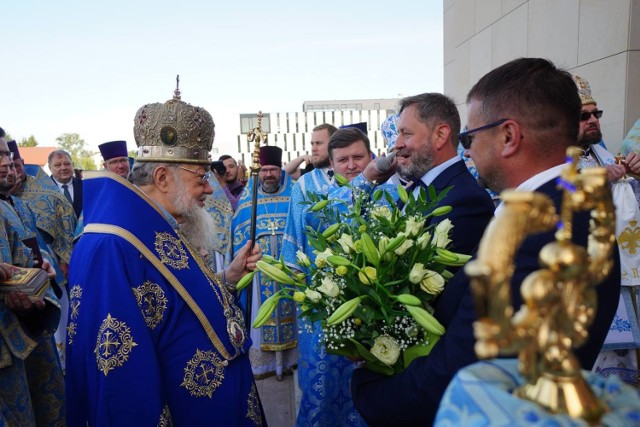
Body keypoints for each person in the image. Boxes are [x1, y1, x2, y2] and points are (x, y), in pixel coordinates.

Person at [351, 57, 621, 426]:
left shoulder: (537, 236)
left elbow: (460, 375)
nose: (467, 151)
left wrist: (369, 387)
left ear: (508, 136)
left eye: (470, 138)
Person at [66, 86, 266, 426]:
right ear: (162, 177)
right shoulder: (113, 245)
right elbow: (120, 376)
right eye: (201, 177)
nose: (208, 188)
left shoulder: (158, 226)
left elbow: (173, 308)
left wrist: (227, 279)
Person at [283, 127, 372, 427]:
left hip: (371, 305)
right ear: (331, 163)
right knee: (320, 387)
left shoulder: (384, 188)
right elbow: (293, 242)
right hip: (320, 309)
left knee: (368, 384)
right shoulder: (306, 187)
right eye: (343, 159)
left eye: (358, 157)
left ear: (370, 156)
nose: (351, 165)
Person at [360, 93, 495, 256]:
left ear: (440, 135)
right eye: (398, 133)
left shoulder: (468, 200)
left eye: (406, 133)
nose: (397, 144)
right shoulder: (414, 187)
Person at [572, 75, 640, 385]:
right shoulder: (558, 163)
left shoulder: (606, 155)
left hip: (622, 277)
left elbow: (630, 213)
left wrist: (635, 177)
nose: (592, 121)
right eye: (583, 116)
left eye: (595, 114)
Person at [0, 136, 65, 425]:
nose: (6, 164)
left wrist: (44, 270)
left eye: (6, 156)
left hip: (27, 330)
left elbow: (30, 256)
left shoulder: (16, 205)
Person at [232, 145, 298, 380]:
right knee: (262, 317)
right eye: (265, 170)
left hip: (288, 272)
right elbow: (237, 236)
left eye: (273, 169)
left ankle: (290, 361)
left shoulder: (294, 198)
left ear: (281, 170)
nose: (269, 174)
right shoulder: (248, 204)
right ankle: (264, 366)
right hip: (259, 275)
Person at [48, 150, 83, 218]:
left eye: (67, 164)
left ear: (72, 165)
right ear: (50, 168)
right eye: (58, 165)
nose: (63, 168)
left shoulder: (85, 187)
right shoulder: (43, 190)